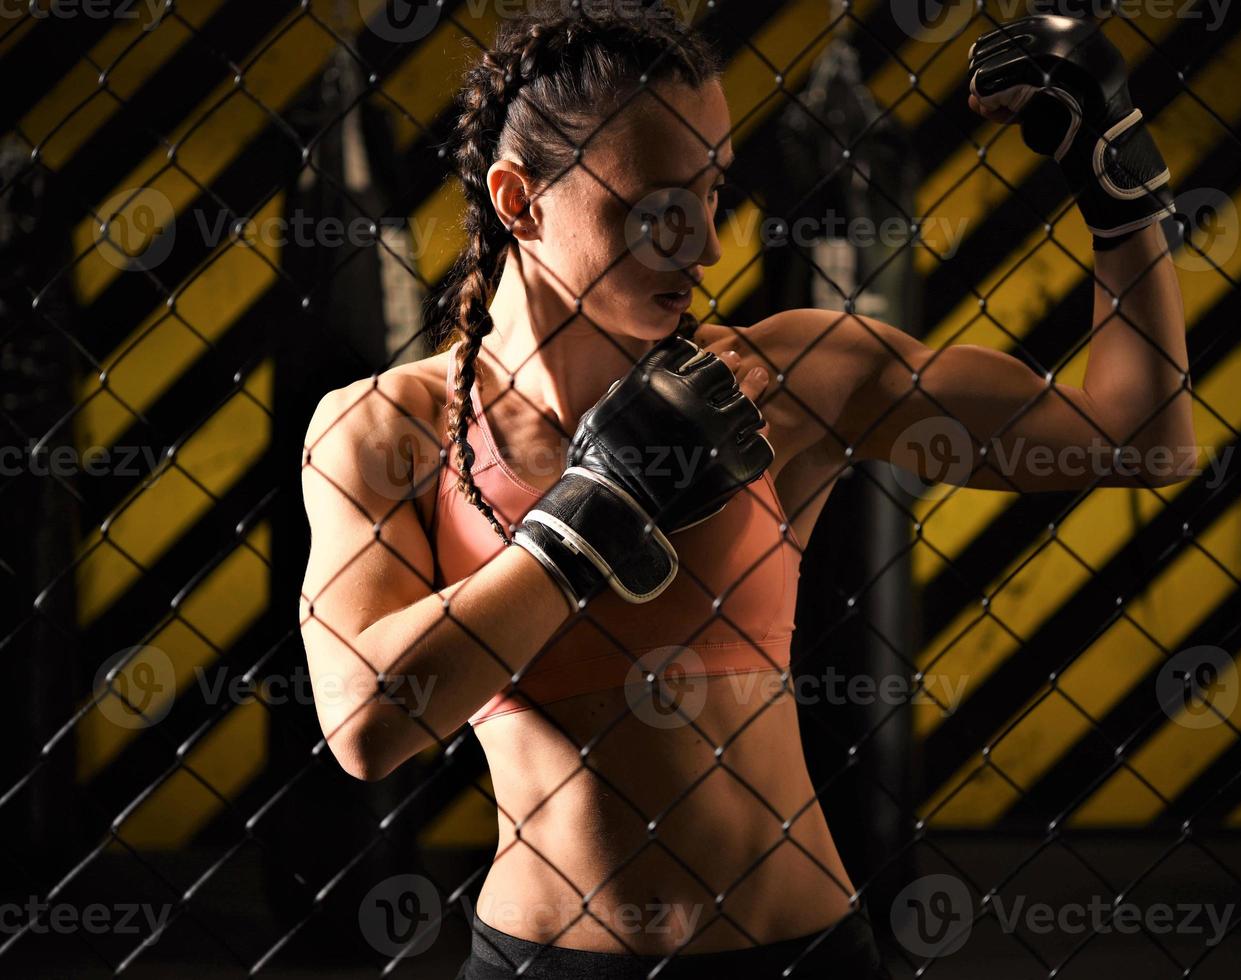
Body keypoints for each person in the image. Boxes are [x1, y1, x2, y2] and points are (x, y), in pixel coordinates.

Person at [298, 6, 1193, 978]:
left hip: (801, 953)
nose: (706, 246)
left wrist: (1120, 190)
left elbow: (1137, 438)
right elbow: (367, 724)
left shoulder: (786, 379)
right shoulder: (390, 429)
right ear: (518, 201)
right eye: (657, 205)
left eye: (713, 191)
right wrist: (591, 513)